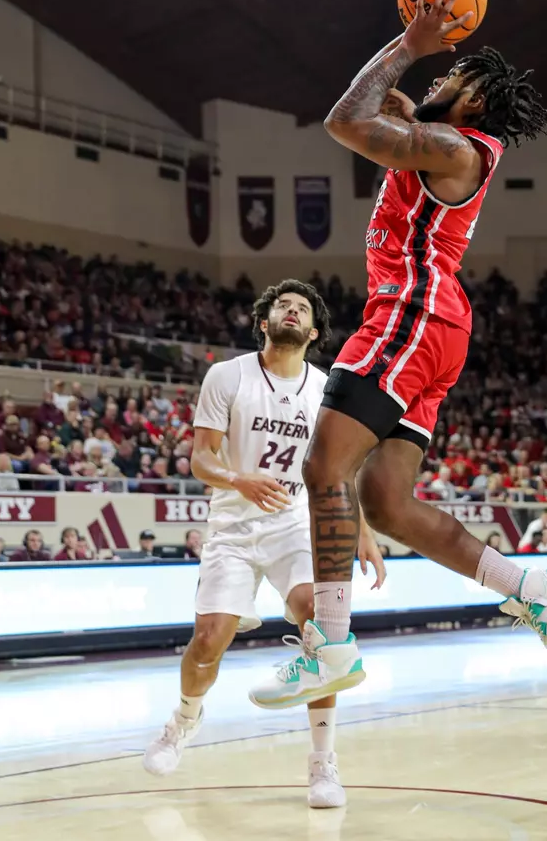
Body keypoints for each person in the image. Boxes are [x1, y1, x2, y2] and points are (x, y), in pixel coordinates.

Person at [249, 0, 547, 713]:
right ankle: (529, 589)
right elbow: (383, 114)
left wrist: (409, 45)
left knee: (323, 463)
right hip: (437, 326)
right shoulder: (445, 143)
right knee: (386, 503)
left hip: (411, 313)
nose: (433, 82)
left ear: (474, 105)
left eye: (447, 81)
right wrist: (407, 97)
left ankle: (328, 647)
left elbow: (343, 121)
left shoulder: (455, 147)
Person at [143, 280, 385, 809]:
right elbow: (201, 458)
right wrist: (239, 480)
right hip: (233, 523)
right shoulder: (226, 375)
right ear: (264, 320)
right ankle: (184, 719)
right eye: (283, 305)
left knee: (317, 623)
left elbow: (341, 469)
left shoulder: (326, 389)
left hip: (296, 521)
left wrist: (362, 530)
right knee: (209, 639)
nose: (292, 312)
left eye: (302, 309)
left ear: (314, 331)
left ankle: (323, 763)